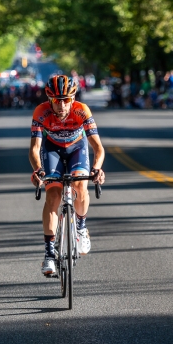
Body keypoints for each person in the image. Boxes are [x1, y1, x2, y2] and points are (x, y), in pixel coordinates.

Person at [29, 75, 106, 276]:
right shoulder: (41, 112)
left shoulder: (82, 110)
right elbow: (35, 148)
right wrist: (38, 170)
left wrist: (97, 168)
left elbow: (98, 148)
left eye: (66, 100)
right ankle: (49, 254)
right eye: (56, 100)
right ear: (49, 99)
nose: (62, 105)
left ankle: (80, 227)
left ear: (73, 98)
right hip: (52, 149)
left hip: (77, 149)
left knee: (80, 186)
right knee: (53, 195)